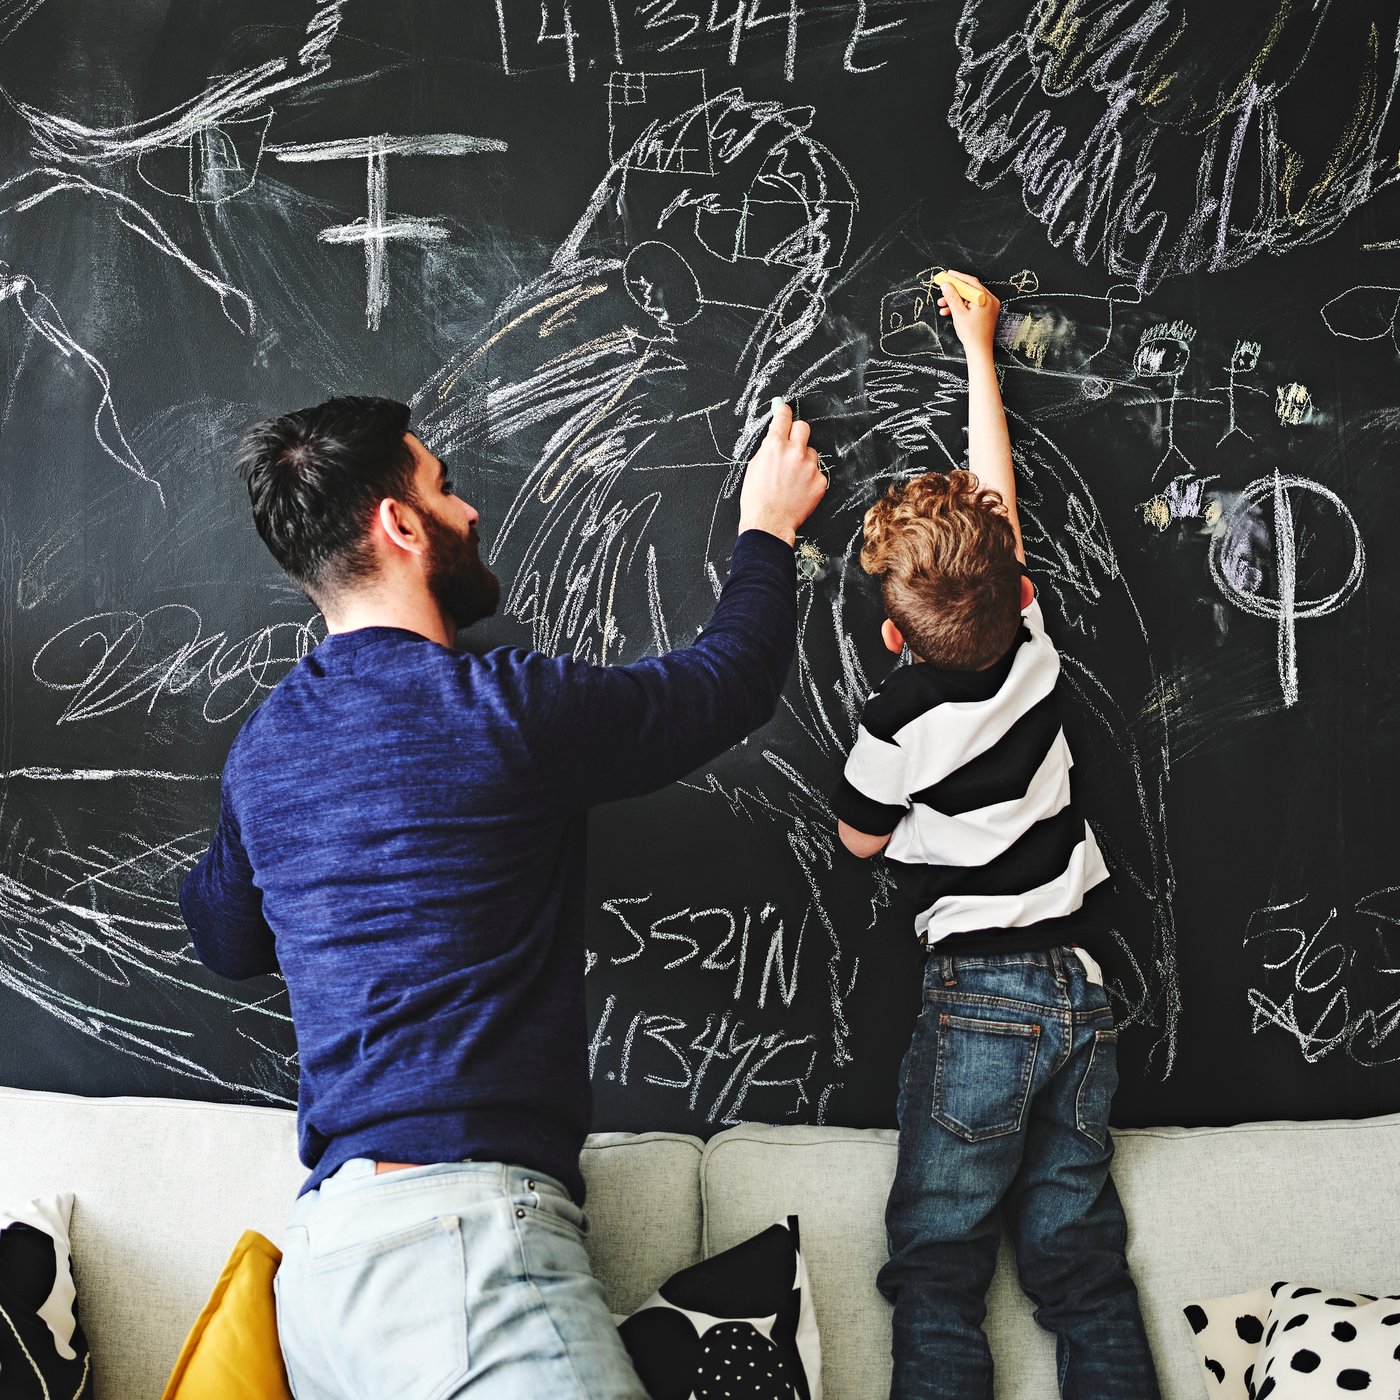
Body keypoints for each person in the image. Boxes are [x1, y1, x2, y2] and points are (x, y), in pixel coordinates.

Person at [179, 393, 825, 1399]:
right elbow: (725, 682)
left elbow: (222, 936)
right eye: (442, 488)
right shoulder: (502, 710)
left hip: (323, 1274)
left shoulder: (262, 753)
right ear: (398, 523)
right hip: (462, 1252)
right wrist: (767, 525)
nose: (469, 509)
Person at [832, 272, 1161, 1400]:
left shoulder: (893, 719)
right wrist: (980, 347)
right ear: (1014, 586)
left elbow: (859, 840)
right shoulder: (1031, 650)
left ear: (889, 632)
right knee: (1079, 1266)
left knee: (936, 1267)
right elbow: (995, 499)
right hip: (1080, 981)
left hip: (975, 992)